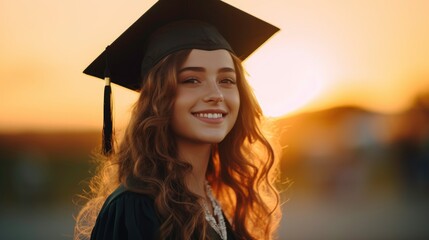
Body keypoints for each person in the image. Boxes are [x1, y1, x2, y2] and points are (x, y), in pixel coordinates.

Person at [74, 0, 281, 239]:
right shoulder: (135, 208)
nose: (216, 94)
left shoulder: (214, 201)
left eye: (226, 80)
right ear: (157, 99)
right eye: (191, 80)